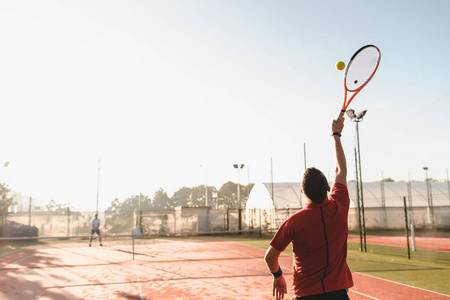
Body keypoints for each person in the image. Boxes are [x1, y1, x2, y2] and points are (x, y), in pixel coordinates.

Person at [264, 118, 353, 300]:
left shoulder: (295, 221)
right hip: (338, 294)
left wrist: (278, 276)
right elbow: (341, 170)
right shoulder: (340, 205)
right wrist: (336, 135)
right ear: (328, 187)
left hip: (306, 295)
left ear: (303, 192)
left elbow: (270, 257)